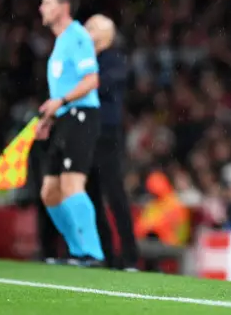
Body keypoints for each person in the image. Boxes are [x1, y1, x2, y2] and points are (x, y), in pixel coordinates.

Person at [35, 0, 105, 266]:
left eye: (46, 2)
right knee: (49, 192)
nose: (41, 7)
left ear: (63, 7)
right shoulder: (61, 40)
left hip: (82, 115)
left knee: (72, 184)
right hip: (64, 117)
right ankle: (77, 251)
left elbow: (91, 81)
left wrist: (60, 101)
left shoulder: (77, 36)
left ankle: (94, 253)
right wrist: (50, 117)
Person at [84, 14, 139, 271]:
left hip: (106, 134)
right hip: (86, 132)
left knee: (114, 194)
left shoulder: (114, 59)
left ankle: (129, 256)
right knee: (91, 195)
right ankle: (105, 254)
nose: (85, 29)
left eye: (91, 27)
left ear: (105, 35)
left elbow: (103, 86)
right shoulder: (87, 60)